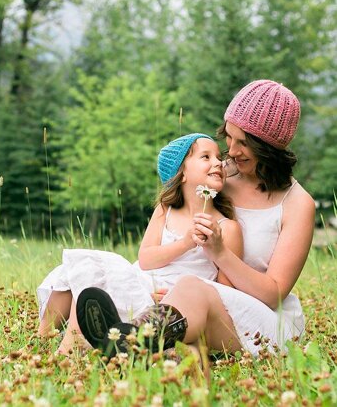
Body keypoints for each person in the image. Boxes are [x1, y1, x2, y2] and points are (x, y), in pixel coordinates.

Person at [77, 79, 315, 357]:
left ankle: (134, 342)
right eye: (229, 136)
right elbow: (175, 201)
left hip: (258, 318)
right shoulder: (221, 174)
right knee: (110, 272)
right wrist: (154, 285)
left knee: (192, 287)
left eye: (244, 143)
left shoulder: (298, 204)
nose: (232, 151)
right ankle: (150, 344)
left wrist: (220, 253)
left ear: (270, 148)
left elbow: (273, 293)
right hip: (193, 303)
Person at [37, 133, 243, 354]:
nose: (218, 162)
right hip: (142, 281)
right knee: (83, 269)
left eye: (218, 156)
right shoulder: (166, 210)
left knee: (95, 276)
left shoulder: (227, 227)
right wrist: (185, 243)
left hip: (172, 302)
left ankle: (79, 346)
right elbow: (145, 259)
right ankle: (44, 338)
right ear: (182, 174)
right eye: (206, 157)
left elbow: (223, 292)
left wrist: (177, 299)